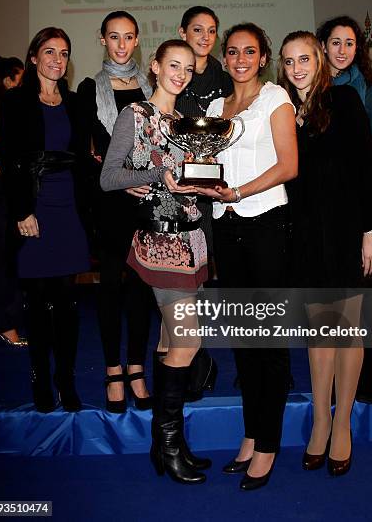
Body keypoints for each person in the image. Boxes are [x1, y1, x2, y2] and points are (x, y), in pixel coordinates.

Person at [100, 39, 211, 484]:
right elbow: (109, 176)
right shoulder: (137, 115)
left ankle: (170, 445)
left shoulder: (186, 122)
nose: (181, 74)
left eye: (188, 67)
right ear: (155, 67)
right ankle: (166, 444)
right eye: (174, 65)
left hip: (194, 244)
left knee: (171, 346)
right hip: (161, 247)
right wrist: (154, 175)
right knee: (188, 344)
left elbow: (192, 178)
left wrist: (205, 186)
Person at [277, 30, 372, 476]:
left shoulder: (345, 102)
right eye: (288, 61)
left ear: (319, 60)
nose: (297, 68)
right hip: (304, 237)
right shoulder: (282, 111)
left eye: (305, 58)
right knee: (320, 334)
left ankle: (343, 426)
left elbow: (367, 166)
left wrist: (370, 229)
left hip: (344, 232)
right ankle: (320, 422)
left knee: (349, 330)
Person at [199, 23, 298, 491]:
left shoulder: (276, 98)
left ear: (263, 58)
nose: (240, 58)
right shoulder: (216, 107)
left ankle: (269, 445)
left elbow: (288, 165)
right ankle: (252, 433)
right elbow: (211, 168)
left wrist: (238, 190)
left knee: (269, 343)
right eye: (232, 51)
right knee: (244, 337)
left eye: (249, 52)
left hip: (265, 226)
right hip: (226, 226)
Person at [0, 27, 91, 413]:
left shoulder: (74, 103)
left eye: (64, 53)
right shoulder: (17, 102)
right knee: (36, 304)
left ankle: (65, 379)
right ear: (34, 57)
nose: (57, 59)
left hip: (68, 209)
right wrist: (22, 211)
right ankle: (39, 375)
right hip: (33, 208)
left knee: (67, 304)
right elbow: (7, 159)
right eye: (49, 51)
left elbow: (84, 156)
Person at [77, 11, 154, 413]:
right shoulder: (89, 87)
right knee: (109, 286)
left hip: (148, 199)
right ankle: (112, 370)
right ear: (102, 39)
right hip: (110, 199)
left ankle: (137, 368)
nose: (122, 45)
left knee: (142, 286)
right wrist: (121, 175)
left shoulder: (152, 85)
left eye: (128, 37)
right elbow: (84, 152)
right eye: (113, 37)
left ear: (137, 39)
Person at [316, 15, 372, 403]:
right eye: (335, 42)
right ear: (322, 46)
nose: (342, 50)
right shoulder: (312, 91)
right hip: (330, 218)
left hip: (366, 214)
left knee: (365, 300)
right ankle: (334, 380)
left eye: (350, 43)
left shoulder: (370, 93)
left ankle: (364, 381)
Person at [0, 56, 25, 347]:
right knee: (1, 263)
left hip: (3, 196)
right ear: (7, 81)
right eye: (20, 79)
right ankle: (5, 325)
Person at [176, 5, 233, 116]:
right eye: (198, 30)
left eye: (211, 31)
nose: (206, 37)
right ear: (183, 33)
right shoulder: (171, 75)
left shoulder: (225, 80)